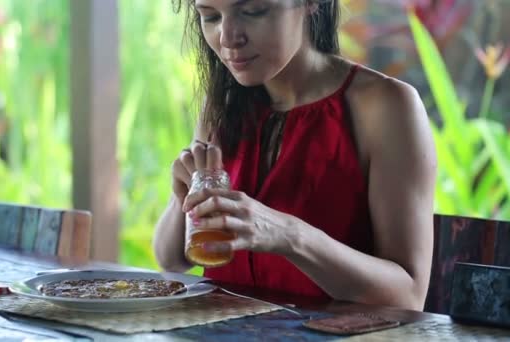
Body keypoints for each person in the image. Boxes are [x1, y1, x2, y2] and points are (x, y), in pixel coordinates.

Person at [153, 0, 437, 311]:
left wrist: (289, 236)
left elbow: (408, 296)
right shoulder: (224, 102)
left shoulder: (384, 106)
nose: (227, 37)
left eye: (253, 11)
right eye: (210, 16)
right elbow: (171, 259)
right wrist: (182, 196)